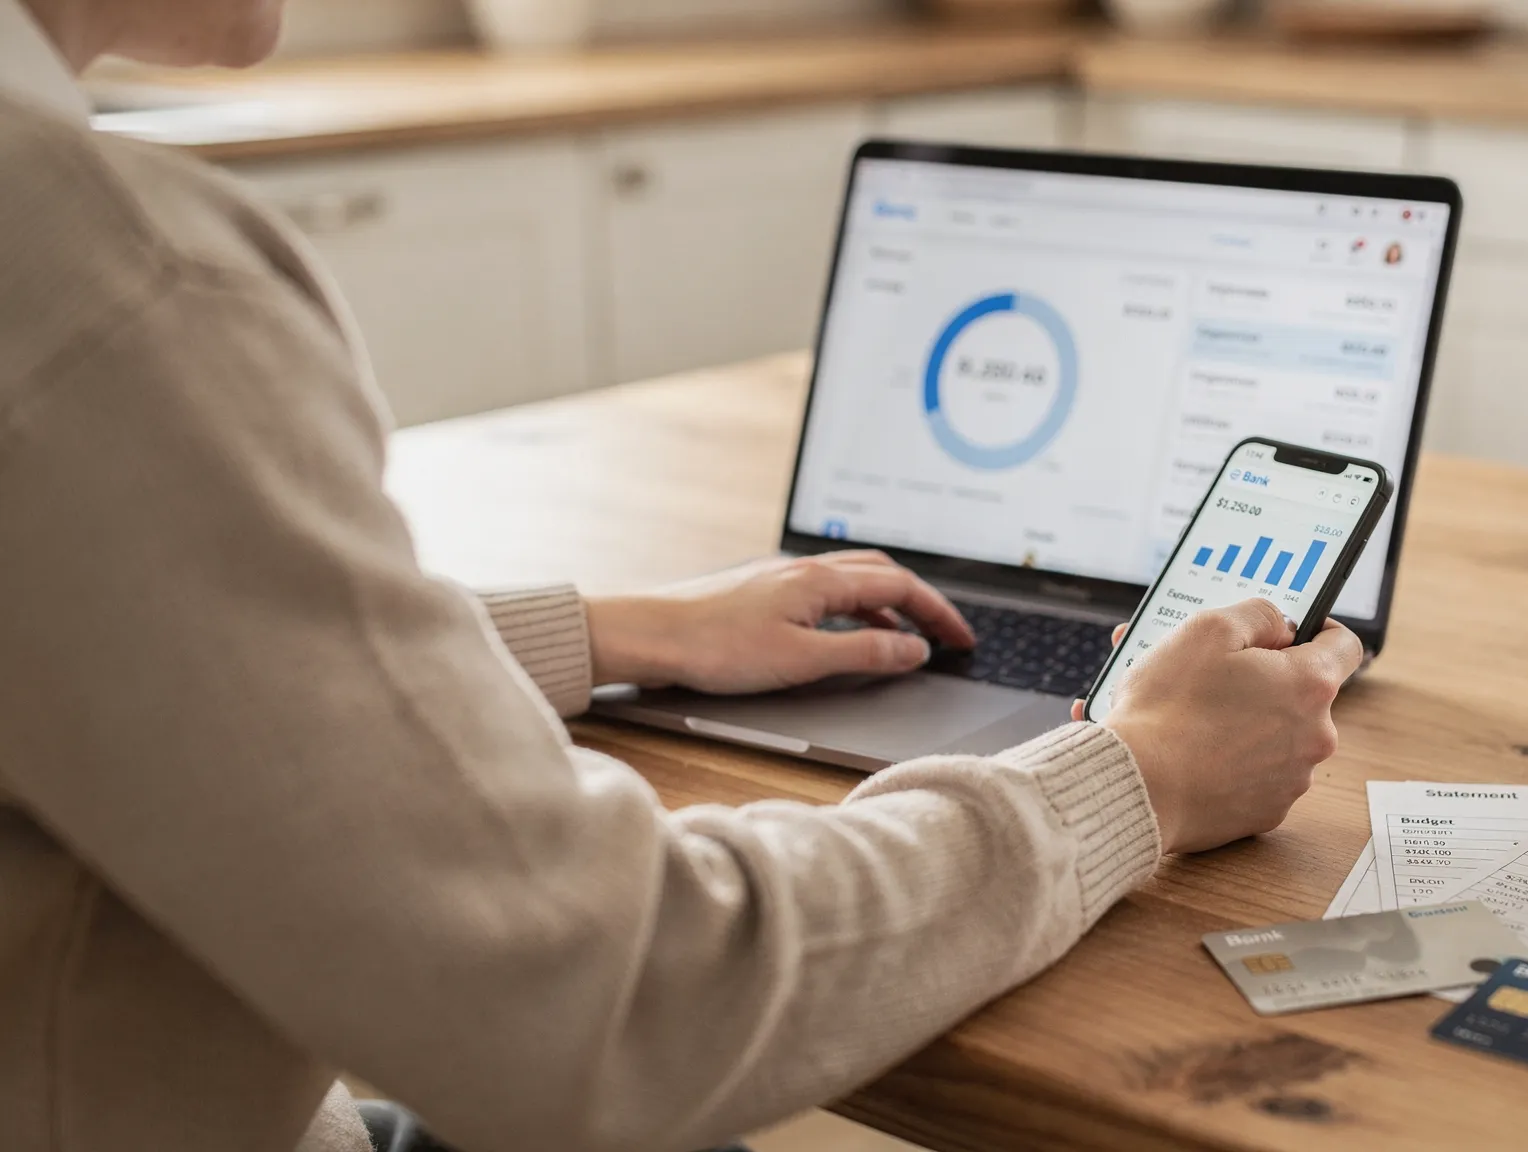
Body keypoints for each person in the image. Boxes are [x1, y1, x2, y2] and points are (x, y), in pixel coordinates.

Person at [0, 1, 1365, 1150]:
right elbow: (621, 1000)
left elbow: (122, 640)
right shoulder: (113, 283)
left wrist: (612, 632)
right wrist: (1134, 781)